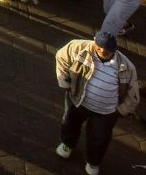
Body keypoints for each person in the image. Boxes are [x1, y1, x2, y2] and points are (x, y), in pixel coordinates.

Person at [56, 31, 135, 174]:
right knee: (69, 123)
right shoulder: (77, 47)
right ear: (94, 42)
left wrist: (122, 109)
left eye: (107, 49)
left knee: (100, 137)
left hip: (106, 111)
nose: (102, 51)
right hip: (78, 100)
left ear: (115, 49)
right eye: (99, 47)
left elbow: (132, 91)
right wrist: (65, 82)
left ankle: (93, 161)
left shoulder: (126, 66)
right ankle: (68, 144)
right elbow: (61, 58)